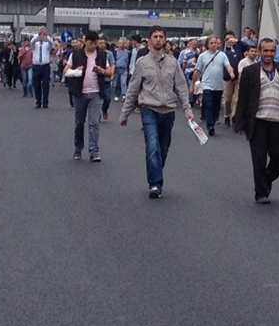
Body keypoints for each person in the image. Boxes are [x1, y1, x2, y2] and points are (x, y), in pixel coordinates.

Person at [119, 26, 194, 199]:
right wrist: (125, 113)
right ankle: (155, 183)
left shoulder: (172, 63)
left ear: (165, 40)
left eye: (161, 36)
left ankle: (157, 171)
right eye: (155, 36)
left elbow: (181, 88)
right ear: (150, 40)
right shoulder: (142, 63)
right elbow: (132, 89)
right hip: (149, 109)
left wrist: (187, 110)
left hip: (168, 110)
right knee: (152, 146)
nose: (158, 39)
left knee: (163, 149)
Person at [234, 37, 279, 203]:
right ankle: (260, 193)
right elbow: (243, 97)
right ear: (259, 52)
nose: (268, 54)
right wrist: (240, 121)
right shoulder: (250, 72)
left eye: (271, 51)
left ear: (276, 52)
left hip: (278, 121)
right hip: (258, 121)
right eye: (265, 50)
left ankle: (266, 179)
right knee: (258, 159)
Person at [65, 31, 113, 161]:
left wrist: (101, 70)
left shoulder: (102, 55)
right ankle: (78, 148)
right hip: (80, 93)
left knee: (94, 123)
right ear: (85, 41)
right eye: (91, 43)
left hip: (96, 93)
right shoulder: (75, 54)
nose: (93, 46)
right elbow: (66, 71)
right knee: (79, 122)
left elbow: (109, 72)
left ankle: (93, 151)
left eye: (95, 43)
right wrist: (76, 71)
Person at [195, 35, 234, 136]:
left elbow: (228, 66)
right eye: (211, 43)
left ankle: (214, 118)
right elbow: (198, 70)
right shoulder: (202, 56)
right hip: (207, 85)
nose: (214, 45)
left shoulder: (222, 55)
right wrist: (193, 83)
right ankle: (210, 125)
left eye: (215, 43)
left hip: (218, 85)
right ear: (207, 45)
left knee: (216, 106)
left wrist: (231, 72)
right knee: (208, 104)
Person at [31, 27, 53, 108]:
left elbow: (51, 42)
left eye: (43, 35)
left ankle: (45, 102)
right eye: (40, 35)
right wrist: (38, 34)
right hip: (36, 66)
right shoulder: (35, 45)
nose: (41, 36)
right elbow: (32, 41)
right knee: (36, 84)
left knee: (46, 85)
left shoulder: (47, 45)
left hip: (45, 66)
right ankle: (38, 101)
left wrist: (46, 36)